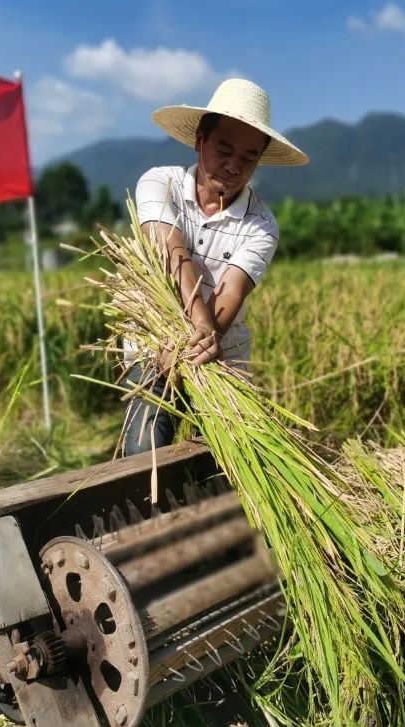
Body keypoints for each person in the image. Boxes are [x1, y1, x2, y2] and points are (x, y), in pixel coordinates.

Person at [121, 78, 308, 456]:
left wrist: (204, 338)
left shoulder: (262, 225)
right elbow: (171, 250)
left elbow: (233, 290)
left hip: (220, 352)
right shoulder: (160, 182)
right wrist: (188, 330)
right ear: (199, 141)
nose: (234, 165)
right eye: (224, 149)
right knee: (144, 455)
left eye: (248, 157)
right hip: (153, 346)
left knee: (234, 460)